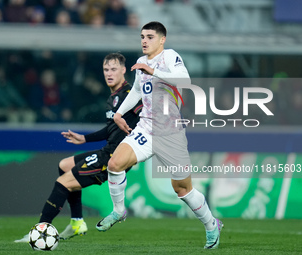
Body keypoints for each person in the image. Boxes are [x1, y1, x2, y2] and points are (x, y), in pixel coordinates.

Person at [95, 22, 223, 249]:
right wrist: (120, 113)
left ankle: (212, 225)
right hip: (145, 128)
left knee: (182, 189)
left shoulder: (170, 57)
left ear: (162, 40)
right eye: (142, 36)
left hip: (170, 134)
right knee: (115, 164)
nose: (144, 40)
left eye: (150, 37)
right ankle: (118, 211)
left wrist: (154, 71)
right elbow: (136, 91)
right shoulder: (142, 62)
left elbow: (185, 81)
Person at [15, 52, 142, 242]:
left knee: (63, 183)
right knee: (64, 165)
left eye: (114, 69)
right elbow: (111, 131)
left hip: (114, 158)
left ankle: (40, 232)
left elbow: (146, 116)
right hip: (107, 150)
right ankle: (77, 223)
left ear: (124, 71)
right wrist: (84, 138)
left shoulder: (129, 95)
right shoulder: (113, 97)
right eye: (106, 69)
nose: (109, 73)